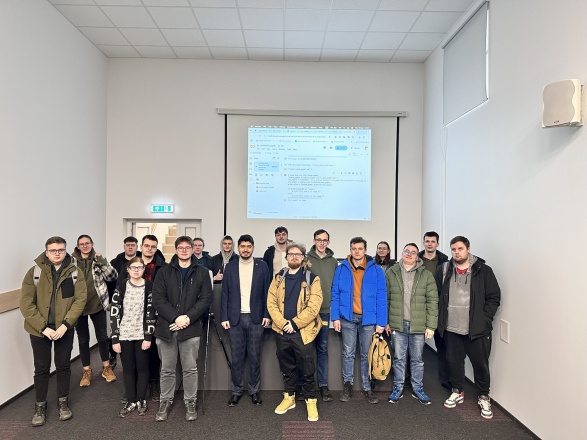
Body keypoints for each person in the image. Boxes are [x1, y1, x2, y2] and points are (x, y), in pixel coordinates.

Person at [20, 236, 87, 426]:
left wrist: (65, 324)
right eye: (53, 250)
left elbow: (80, 300)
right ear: (46, 252)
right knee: (41, 368)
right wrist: (43, 327)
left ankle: (63, 403)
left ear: (65, 250)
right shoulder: (34, 272)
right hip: (39, 330)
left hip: (64, 328)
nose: (57, 253)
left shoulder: (75, 272)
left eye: (61, 250)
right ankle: (40, 406)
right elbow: (26, 304)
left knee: (63, 365)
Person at [436, 236, 501, 420]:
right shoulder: (444, 270)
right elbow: (437, 295)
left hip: (476, 330)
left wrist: (485, 319)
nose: (456, 252)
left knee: (481, 365)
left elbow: (494, 297)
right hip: (451, 328)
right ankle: (457, 391)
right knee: (454, 363)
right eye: (453, 249)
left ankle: (483, 396)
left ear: (468, 249)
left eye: (460, 249)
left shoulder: (483, 270)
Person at [152, 236, 213, 422]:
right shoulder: (163, 272)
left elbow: (205, 299)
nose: (184, 251)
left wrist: (187, 318)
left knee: (190, 369)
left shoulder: (202, 272)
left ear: (193, 249)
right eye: (181, 248)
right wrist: (176, 317)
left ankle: (190, 402)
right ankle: (165, 401)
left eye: (188, 247)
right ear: (176, 249)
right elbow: (158, 298)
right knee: (167, 369)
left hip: (191, 328)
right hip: (167, 328)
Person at [267, 242, 323, 422]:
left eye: (298, 254)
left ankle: (311, 400)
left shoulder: (312, 278)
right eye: (291, 254)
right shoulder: (278, 278)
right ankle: (289, 397)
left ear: (303, 257)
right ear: (286, 257)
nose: (294, 257)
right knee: (287, 367)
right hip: (282, 331)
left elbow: (314, 307)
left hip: (303, 332)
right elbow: (271, 303)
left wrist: (295, 324)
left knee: (307, 368)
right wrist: (284, 323)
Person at [331, 237, 387, 404]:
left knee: (366, 354)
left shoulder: (376, 270)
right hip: (347, 318)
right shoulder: (341, 269)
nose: (357, 251)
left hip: (368, 319)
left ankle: (367, 387)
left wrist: (381, 322)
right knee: (348, 353)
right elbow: (335, 294)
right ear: (350, 250)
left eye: (360, 248)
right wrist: (335, 317)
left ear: (365, 250)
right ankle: (347, 385)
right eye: (354, 248)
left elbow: (382, 297)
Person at [220, 234, 270, 406]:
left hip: (256, 319)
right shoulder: (230, 267)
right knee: (237, 358)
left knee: (255, 357)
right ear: (238, 248)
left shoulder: (262, 266)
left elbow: (267, 293)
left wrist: (267, 314)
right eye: (243, 246)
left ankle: (254, 391)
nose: (246, 249)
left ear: (253, 248)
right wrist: (224, 316)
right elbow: (225, 293)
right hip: (235, 319)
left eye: (249, 246)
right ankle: (236, 391)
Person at [386, 243, 438, 405]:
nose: (409, 254)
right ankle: (398, 388)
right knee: (399, 358)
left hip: (418, 325)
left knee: (417, 359)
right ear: (402, 253)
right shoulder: (391, 272)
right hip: (397, 324)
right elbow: (386, 298)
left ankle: (418, 388)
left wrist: (431, 326)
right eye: (406, 251)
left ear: (417, 256)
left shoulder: (426, 275)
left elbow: (432, 301)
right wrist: (386, 322)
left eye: (413, 252)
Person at [110, 257, 156, 418]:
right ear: (128, 270)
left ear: (144, 269)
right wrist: (115, 338)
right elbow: (114, 313)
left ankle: (141, 399)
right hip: (124, 335)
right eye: (133, 267)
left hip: (142, 335)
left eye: (140, 267)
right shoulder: (121, 287)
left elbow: (152, 312)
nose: (136, 270)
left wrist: (148, 336)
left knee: (142, 368)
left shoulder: (150, 286)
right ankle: (131, 400)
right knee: (128, 369)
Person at [73, 234, 118, 387]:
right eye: (82, 244)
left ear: (92, 244)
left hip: (97, 304)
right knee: (83, 339)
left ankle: (106, 367)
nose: (85, 246)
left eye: (87, 243)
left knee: (103, 337)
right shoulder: (71, 262)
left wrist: (102, 261)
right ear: (78, 246)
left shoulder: (98, 260)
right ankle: (86, 370)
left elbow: (112, 276)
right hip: (78, 307)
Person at [306, 229, 338, 402]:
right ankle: (307, 386)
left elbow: (335, 287)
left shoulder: (333, 262)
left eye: (325, 240)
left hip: (325, 312)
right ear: (314, 241)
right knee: (306, 350)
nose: (322, 243)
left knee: (322, 349)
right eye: (319, 240)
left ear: (328, 242)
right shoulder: (306, 259)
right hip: (307, 313)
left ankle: (323, 386)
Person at [417, 231, 450, 390]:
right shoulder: (416, 259)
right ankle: (411, 380)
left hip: (438, 307)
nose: (430, 244)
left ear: (437, 243)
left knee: (443, 346)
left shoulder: (445, 262)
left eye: (433, 241)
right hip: (418, 307)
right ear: (423, 242)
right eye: (427, 241)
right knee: (414, 347)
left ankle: (446, 379)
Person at [108, 236, 141, 369]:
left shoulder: (141, 260)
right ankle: (113, 356)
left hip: (137, 302)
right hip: (119, 300)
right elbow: (110, 283)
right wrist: (111, 301)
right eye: (128, 245)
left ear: (137, 247)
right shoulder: (115, 262)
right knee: (116, 329)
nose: (130, 247)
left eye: (133, 245)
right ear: (124, 246)